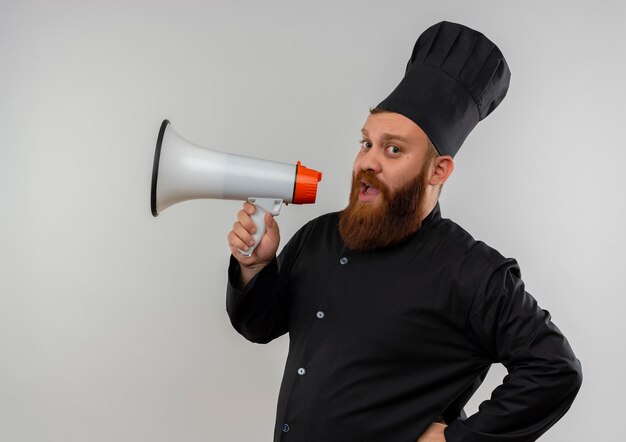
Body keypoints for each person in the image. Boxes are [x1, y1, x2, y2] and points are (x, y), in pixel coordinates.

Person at [225, 21, 582, 442]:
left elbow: (555, 369)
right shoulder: (320, 236)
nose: (367, 162)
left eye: (393, 149)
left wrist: (456, 440)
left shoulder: (472, 272)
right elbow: (258, 325)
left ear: (439, 169)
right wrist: (254, 266)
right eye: (366, 143)